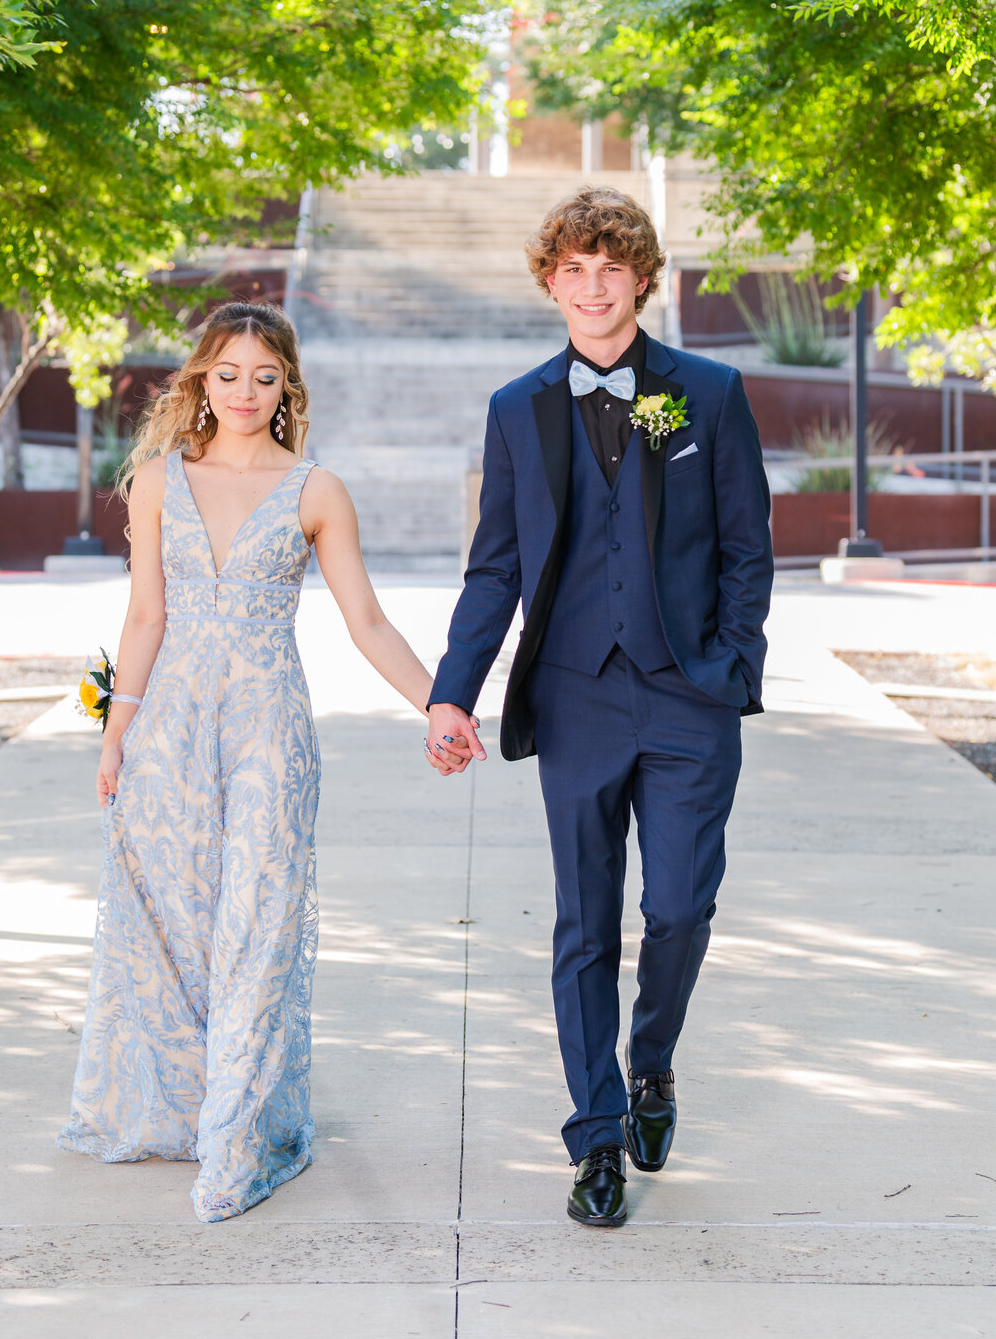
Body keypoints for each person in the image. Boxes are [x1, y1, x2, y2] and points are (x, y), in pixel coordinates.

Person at [425, 187, 773, 1228]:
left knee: (678, 907)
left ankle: (651, 1060)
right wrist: (454, 690)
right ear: (550, 282)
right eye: (572, 268)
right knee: (585, 925)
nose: (592, 285)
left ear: (642, 279)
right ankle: (597, 1135)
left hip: (686, 700)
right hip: (574, 697)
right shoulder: (516, 408)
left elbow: (748, 547)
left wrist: (731, 663)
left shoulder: (708, 394)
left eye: (610, 268)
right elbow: (494, 569)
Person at [58, 300, 442, 1223]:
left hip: (270, 731)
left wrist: (439, 705)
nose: (243, 392)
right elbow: (144, 616)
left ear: (286, 386)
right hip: (170, 731)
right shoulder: (157, 479)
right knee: (179, 924)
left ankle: (239, 1138)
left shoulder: (316, 491)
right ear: (201, 378)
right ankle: (188, 1104)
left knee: (259, 926)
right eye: (227, 373)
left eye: (263, 376)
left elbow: (368, 622)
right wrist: (116, 734)